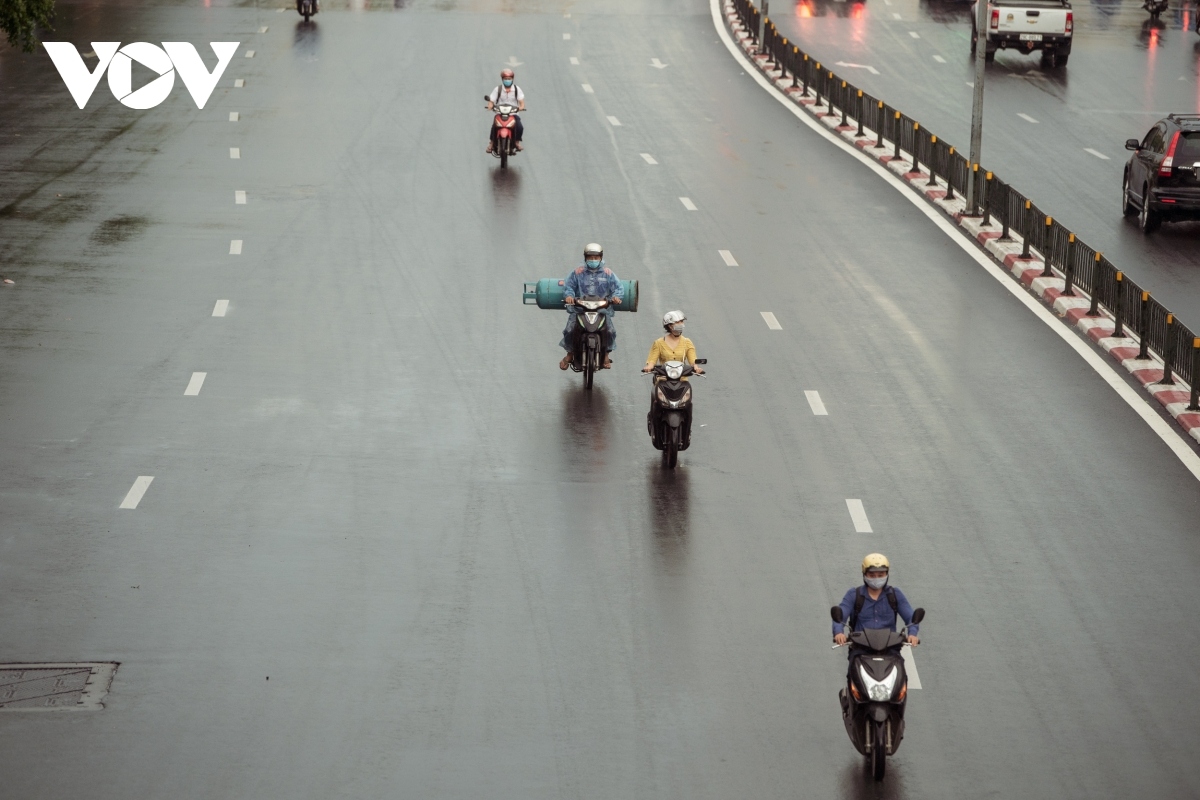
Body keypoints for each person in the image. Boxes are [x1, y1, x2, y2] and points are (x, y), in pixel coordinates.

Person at [832, 553, 920, 648]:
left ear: (887, 574)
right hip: (860, 649)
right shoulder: (853, 594)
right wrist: (839, 633)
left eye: (880, 575)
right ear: (864, 574)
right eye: (872, 575)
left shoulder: (895, 594)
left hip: (890, 649)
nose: (876, 578)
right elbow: (840, 617)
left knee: (900, 663)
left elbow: (911, 618)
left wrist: (912, 634)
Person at [559, 243, 623, 370]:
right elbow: (569, 286)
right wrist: (569, 296)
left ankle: (605, 354)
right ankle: (570, 354)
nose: (593, 260)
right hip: (579, 309)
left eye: (596, 258)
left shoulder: (608, 273)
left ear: (601, 258)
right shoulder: (577, 272)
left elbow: (618, 288)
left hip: (601, 310)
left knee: (610, 331)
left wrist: (616, 298)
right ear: (585, 258)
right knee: (570, 330)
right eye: (590, 258)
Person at [642, 310, 704, 376]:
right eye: (677, 322)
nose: (681, 324)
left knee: (688, 386)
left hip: (682, 380)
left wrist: (696, 368)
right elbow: (652, 360)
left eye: (682, 321)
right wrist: (649, 367)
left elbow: (693, 361)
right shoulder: (658, 343)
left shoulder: (687, 342)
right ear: (670, 326)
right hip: (663, 379)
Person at [486, 68, 525, 153]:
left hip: (513, 113)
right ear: (502, 79)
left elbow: (522, 103)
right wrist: (490, 106)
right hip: (500, 113)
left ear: (512, 79)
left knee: (519, 126)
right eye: (505, 79)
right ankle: (492, 143)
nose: (507, 80)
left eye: (509, 79)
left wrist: (520, 108)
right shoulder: (498, 89)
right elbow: (491, 101)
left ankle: (517, 142)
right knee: (495, 125)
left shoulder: (517, 89)